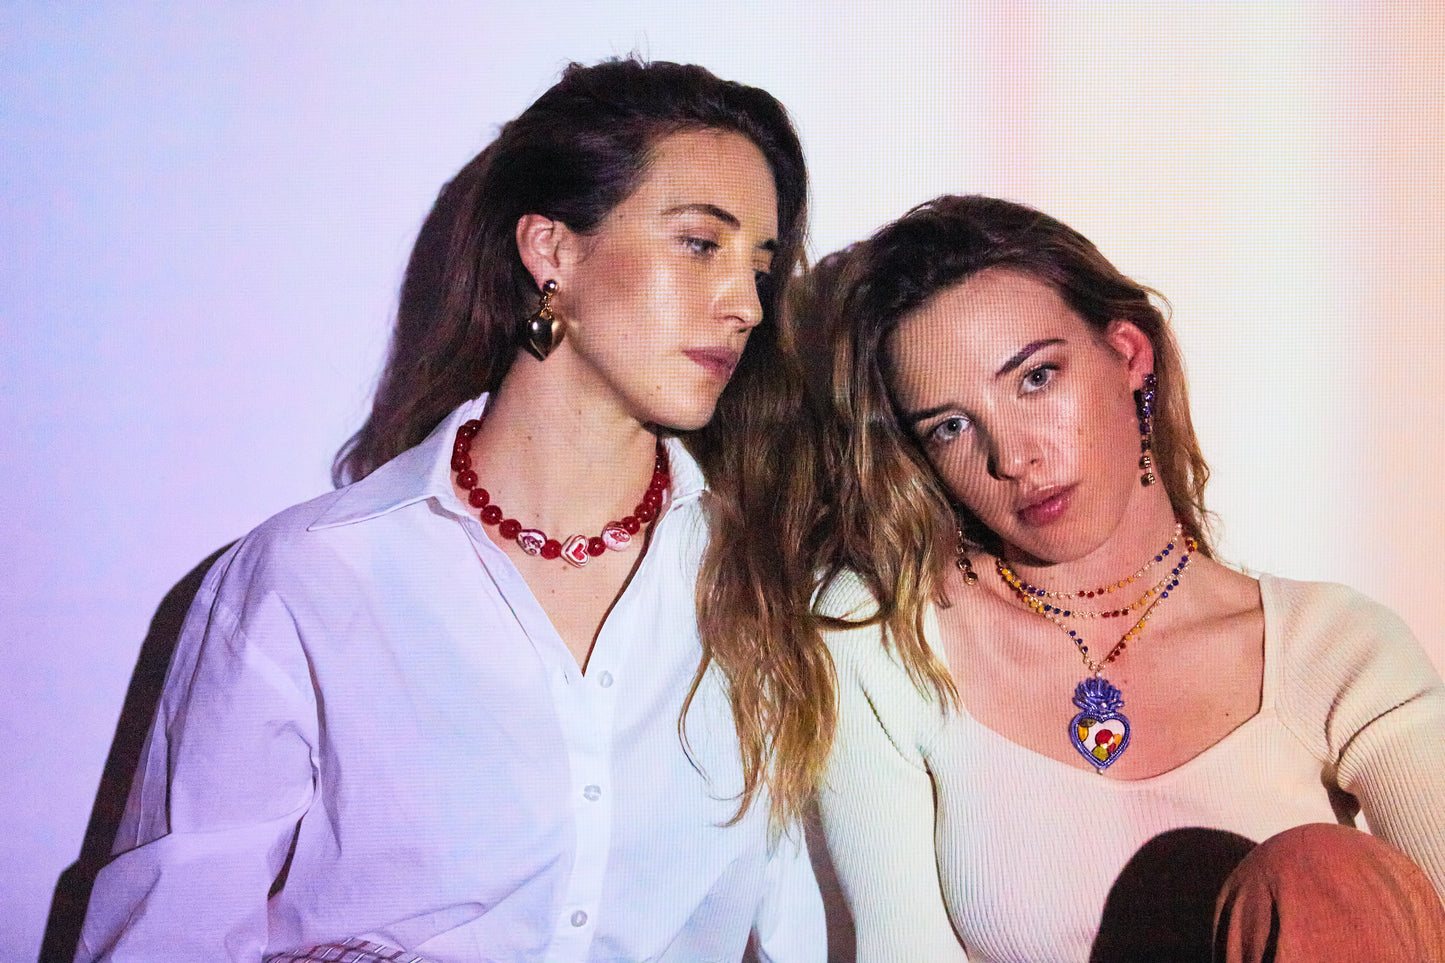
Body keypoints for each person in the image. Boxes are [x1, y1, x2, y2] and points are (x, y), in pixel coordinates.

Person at [76, 58, 831, 963]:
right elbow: (169, 935)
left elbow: (790, 923)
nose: (745, 306)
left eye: (760, 266)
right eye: (700, 244)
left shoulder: (758, 583)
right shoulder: (314, 575)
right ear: (552, 251)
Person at [806, 194, 1445, 962]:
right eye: (950, 426)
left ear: (1129, 354)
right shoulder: (884, 636)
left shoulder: (1330, 648)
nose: (1011, 456)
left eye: (1035, 377)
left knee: (1316, 867)